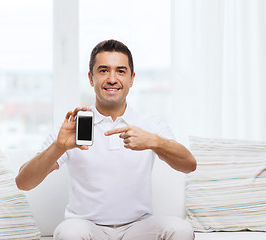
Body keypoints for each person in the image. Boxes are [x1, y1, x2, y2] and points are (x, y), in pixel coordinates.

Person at [15, 39, 197, 240]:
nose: (112, 79)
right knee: (69, 232)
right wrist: (58, 147)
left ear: (131, 78)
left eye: (120, 71)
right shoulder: (71, 129)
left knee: (181, 230)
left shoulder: (150, 125)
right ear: (91, 78)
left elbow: (189, 165)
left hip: (139, 228)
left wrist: (155, 142)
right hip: (87, 228)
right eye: (103, 71)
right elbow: (23, 182)